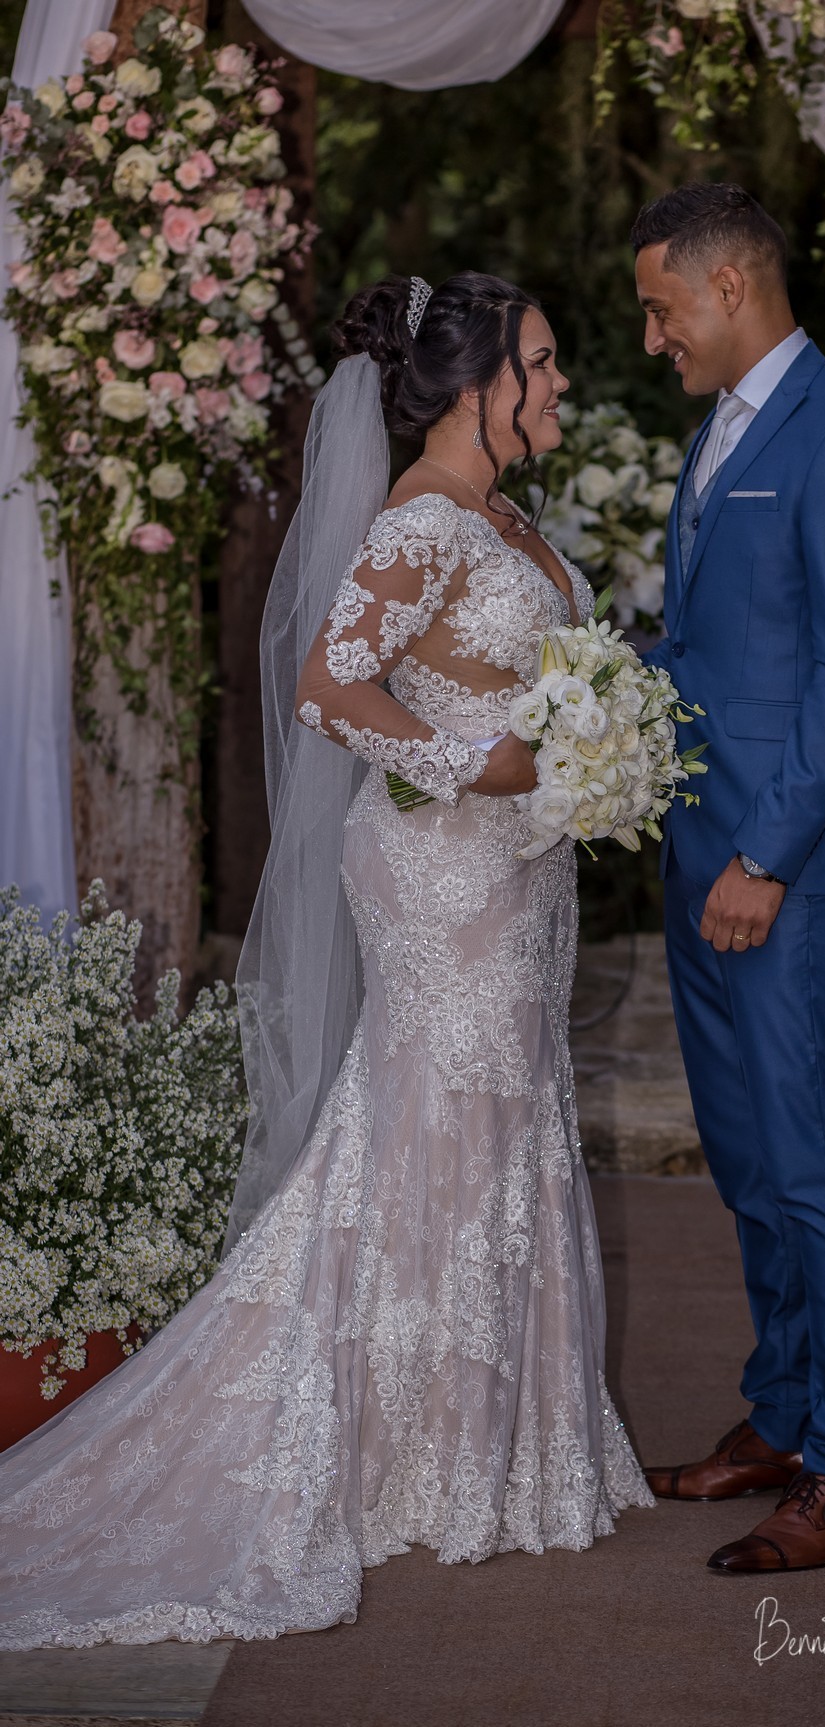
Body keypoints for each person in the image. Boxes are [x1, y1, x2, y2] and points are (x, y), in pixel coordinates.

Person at [0, 270, 651, 1650]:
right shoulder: (421, 518)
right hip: (436, 871)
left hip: (516, 875)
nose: (558, 386)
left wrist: (594, 759)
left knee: (503, 1119)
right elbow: (330, 682)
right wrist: (484, 768)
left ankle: (497, 1444)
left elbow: (541, 688)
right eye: (538, 364)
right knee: (440, 1125)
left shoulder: (508, 519)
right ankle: (414, 1449)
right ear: (472, 385)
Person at [633, 184, 825, 1573]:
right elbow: (704, 653)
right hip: (703, 859)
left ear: (733, 281)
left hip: (782, 870)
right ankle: (791, 1414)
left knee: (815, 1165)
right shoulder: (718, 434)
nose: (651, 334)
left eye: (660, 306)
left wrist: (763, 857)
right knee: (751, 1166)